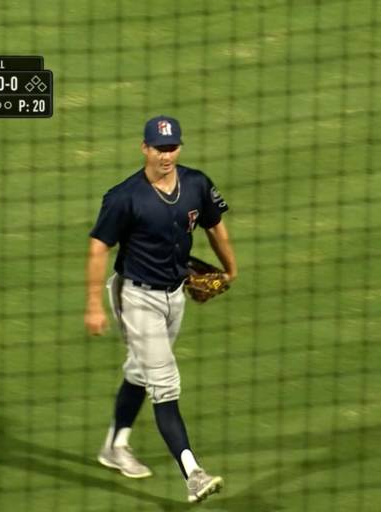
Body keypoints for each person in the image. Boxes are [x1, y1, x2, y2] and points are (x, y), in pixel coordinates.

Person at [83, 115, 238, 503]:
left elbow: (215, 226)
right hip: (134, 297)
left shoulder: (196, 184)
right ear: (145, 148)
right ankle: (193, 474)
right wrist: (94, 306)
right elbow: (99, 247)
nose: (166, 156)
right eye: (158, 148)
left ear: (179, 148)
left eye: (171, 148)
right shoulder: (124, 197)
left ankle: (115, 446)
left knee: (141, 370)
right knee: (165, 383)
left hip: (175, 295)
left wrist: (230, 267)